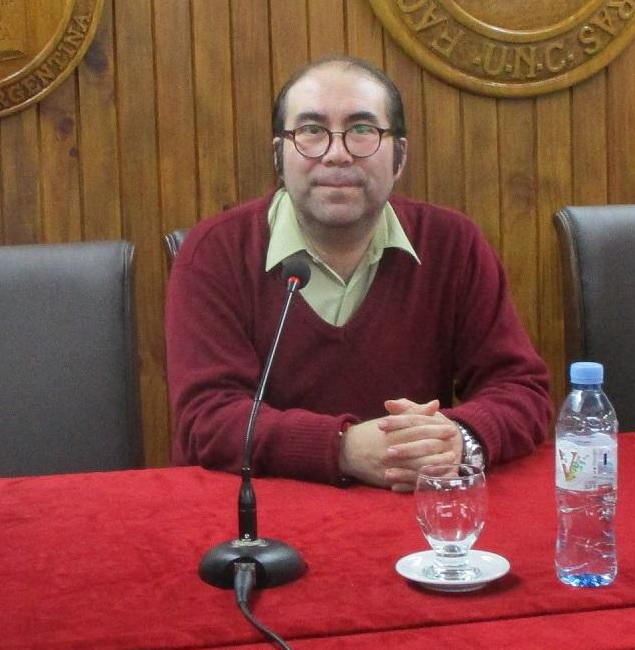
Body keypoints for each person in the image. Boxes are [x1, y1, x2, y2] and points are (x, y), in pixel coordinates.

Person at [166, 55, 551, 488]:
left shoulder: (452, 244)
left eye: (362, 130)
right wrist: (343, 449)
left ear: (400, 156)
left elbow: (521, 389)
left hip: (415, 519)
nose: (337, 154)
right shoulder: (214, 253)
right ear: (279, 156)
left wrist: (456, 439)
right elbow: (207, 420)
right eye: (311, 131)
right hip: (258, 525)